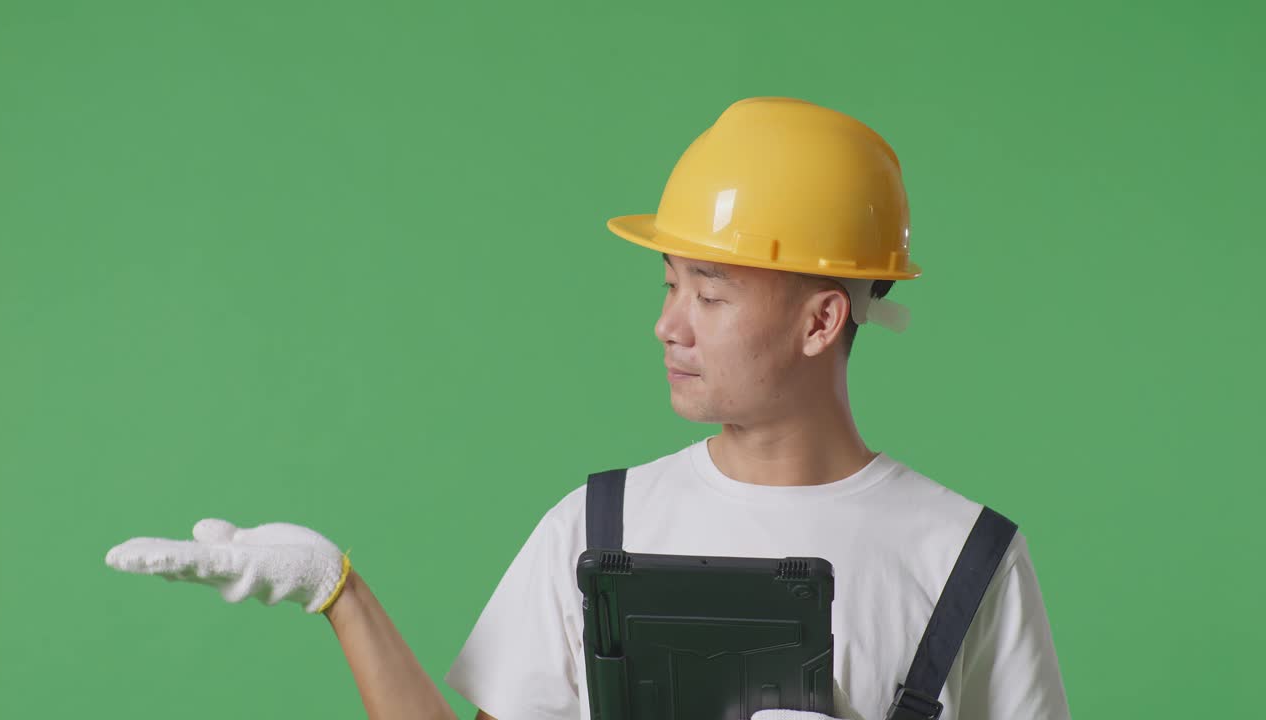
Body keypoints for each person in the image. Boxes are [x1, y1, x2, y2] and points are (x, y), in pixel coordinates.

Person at [105, 96, 1071, 720]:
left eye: (710, 292)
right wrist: (339, 593)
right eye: (667, 285)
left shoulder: (964, 557)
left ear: (822, 321)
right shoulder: (598, 524)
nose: (668, 326)